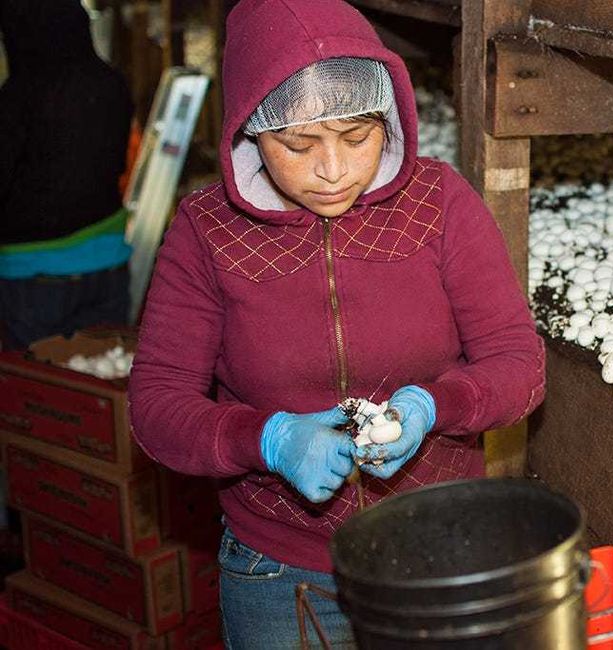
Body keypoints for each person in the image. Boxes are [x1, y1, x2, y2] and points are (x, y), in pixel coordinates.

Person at [127, 0, 545, 647]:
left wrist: (432, 406)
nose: (333, 169)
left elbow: (517, 361)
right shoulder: (208, 232)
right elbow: (156, 405)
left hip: (437, 551)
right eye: (297, 144)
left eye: (357, 137)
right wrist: (265, 439)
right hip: (280, 569)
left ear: (389, 117)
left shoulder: (438, 203)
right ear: (249, 133)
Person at [0, 0, 133, 350]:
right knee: (101, 385)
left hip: (34, 273)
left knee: (43, 395)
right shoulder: (112, 83)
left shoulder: (18, 97)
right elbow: (115, 166)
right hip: (108, 260)